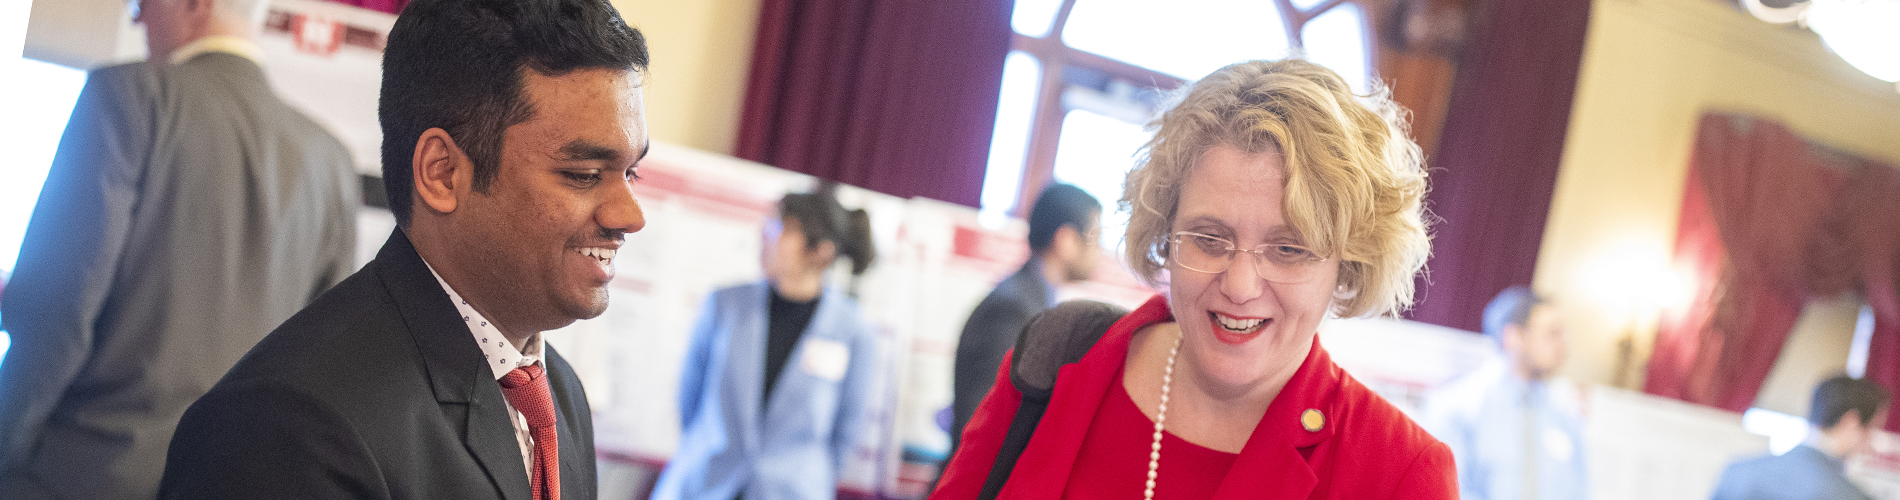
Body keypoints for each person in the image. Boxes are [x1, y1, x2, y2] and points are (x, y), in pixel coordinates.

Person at [154, 0, 649, 497]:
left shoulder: (558, 394)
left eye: (631, 174)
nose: (630, 215)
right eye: (584, 175)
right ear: (442, 173)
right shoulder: (284, 424)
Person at [933, 59, 1452, 499]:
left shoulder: (1398, 471)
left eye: (1289, 249)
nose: (1241, 284)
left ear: (1349, 264)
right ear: (1165, 233)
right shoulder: (1060, 359)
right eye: (1208, 239)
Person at [0, 0, 358, 496]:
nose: (136, 17)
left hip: (80, 473)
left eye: (142, 1)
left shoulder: (127, 97)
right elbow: (325, 363)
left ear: (194, 4)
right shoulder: (332, 162)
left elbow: (56, 311)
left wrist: (7, 448)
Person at [652, 190, 883, 500]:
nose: (766, 234)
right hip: (705, 482)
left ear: (821, 252)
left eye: (784, 228)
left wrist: (807, 478)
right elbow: (689, 395)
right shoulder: (725, 304)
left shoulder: (853, 331)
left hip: (793, 490)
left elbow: (847, 428)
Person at [949, 183, 1102, 450]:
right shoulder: (1013, 310)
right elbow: (982, 426)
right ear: (1065, 240)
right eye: (1095, 238)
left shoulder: (1031, 301)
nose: (1100, 253)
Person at [1422, 286, 1589, 500]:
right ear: (1513, 336)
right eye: (1552, 334)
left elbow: (1579, 491)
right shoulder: (1457, 406)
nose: (1564, 347)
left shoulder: (1564, 415)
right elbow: (1447, 492)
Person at [1710, 375, 1891, 500]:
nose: (1874, 442)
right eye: (1873, 428)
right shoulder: (1848, 495)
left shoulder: (1738, 471)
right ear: (1850, 422)